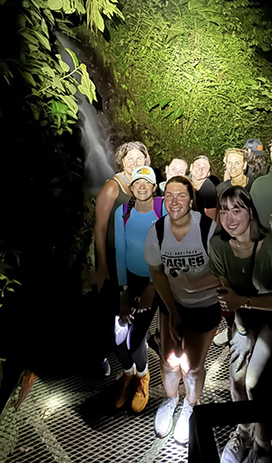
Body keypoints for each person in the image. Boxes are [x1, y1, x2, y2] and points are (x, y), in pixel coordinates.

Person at [209, 186, 272, 463]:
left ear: (251, 211)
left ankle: (263, 444)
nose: (230, 217)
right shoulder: (218, 245)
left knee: (253, 382)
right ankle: (243, 431)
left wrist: (244, 303)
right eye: (224, 211)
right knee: (235, 380)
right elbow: (226, 295)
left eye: (237, 210)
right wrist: (243, 332)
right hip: (244, 319)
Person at [144, 176, 221, 445]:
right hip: (172, 305)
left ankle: (190, 405)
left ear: (191, 199)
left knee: (193, 365)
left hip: (205, 307)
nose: (175, 201)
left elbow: (224, 272)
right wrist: (172, 308)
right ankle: (170, 400)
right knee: (168, 360)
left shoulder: (207, 228)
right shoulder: (158, 231)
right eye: (169, 196)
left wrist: (195, 285)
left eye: (181, 195)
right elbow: (157, 273)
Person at [92, 141, 151, 374]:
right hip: (111, 256)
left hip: (131, 258)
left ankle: (133, 345)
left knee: (127, 305)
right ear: (122, 161)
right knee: (108, 308)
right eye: (129, 159)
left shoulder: (142, 185)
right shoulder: (112, 187)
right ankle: (100, 354)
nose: (134, 163)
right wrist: (102, 266)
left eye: (139, 158)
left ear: (145, 161)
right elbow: (100, 228)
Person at [113, 166, 163, 413]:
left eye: (147, 183)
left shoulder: (163, 209)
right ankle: (128, 373)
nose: (142, 187)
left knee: (135, 341)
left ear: (155, 187)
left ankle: (143, 376)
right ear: (131, 188)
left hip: (154, 281)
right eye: (137, 183)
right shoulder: (122, 213)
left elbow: (169, 247)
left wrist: (153, 287)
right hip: (128, 280)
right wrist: (123, 292)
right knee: (118, 337)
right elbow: (120, 252)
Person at [189, 155, 217, 219]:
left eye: (205, 168)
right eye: (198, 165)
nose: (200, 169)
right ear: (191, 167)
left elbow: (211, 218)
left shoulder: (209, 190)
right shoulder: (186, 180)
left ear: (208, 173)